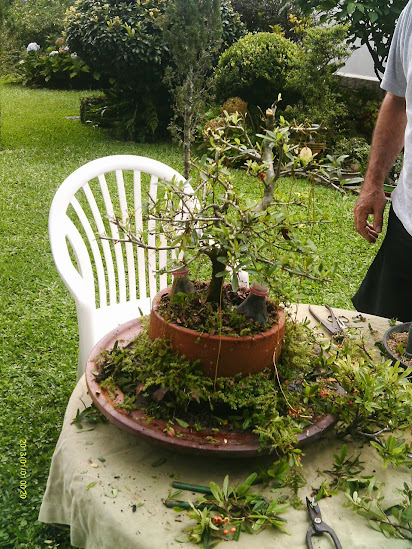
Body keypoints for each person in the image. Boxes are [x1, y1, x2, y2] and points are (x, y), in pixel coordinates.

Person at [352, 1, 412, 322]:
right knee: (384, 353)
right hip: (407, 225)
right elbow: (398, 98)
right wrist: (373, 182)